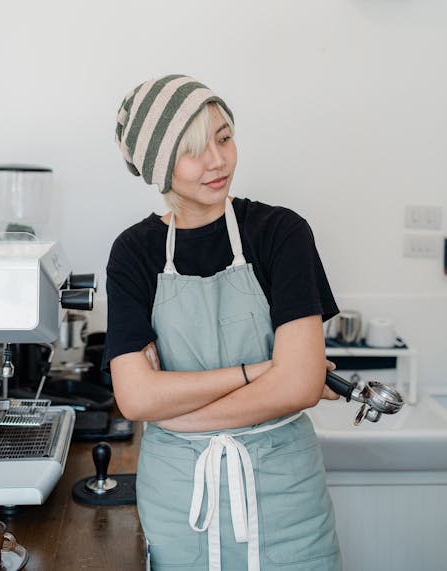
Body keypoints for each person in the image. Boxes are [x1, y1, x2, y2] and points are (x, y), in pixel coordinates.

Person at [105, 74, 343, 571]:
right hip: (179, 505)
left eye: (224, 137)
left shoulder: (281, 233)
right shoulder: (134, 253)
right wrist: (261, 371)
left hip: (287, 502)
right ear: (158, 167)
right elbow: (135, 399)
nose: (218, 161)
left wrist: (175, 412)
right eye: (193, 150)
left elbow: (300, 385)